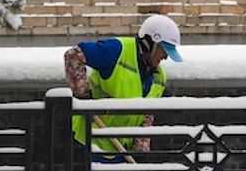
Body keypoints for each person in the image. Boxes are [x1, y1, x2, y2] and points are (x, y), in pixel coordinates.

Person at [65, 14, 183, 159]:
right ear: (150, 43)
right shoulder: (116, 51)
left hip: (123, 151)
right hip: (91, 143)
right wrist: (81, 94)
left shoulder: (159, 76)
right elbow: (74, 55)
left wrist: (141, 144)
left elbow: (147, 113)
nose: (166, 57)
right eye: (165, 50)